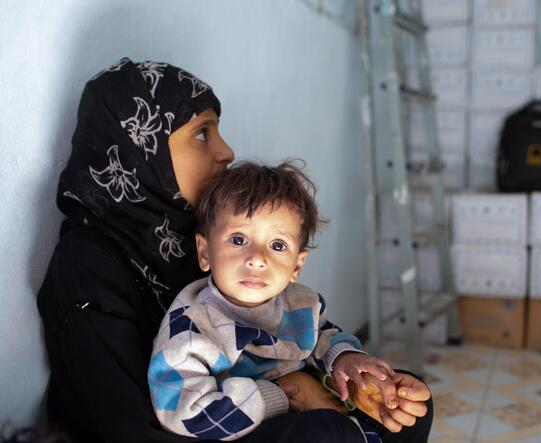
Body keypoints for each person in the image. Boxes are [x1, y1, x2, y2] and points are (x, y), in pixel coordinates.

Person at [37, 58, 433, 443]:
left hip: (252, 405)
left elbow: (293, 332)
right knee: (327, 433)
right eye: (202, 133)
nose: (226, 151)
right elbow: (133, 427)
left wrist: (341, 377)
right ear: (142, 148)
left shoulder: (197, 234)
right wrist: (294, 396)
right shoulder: (87, 264)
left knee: (404, 407)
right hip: (186, 424)